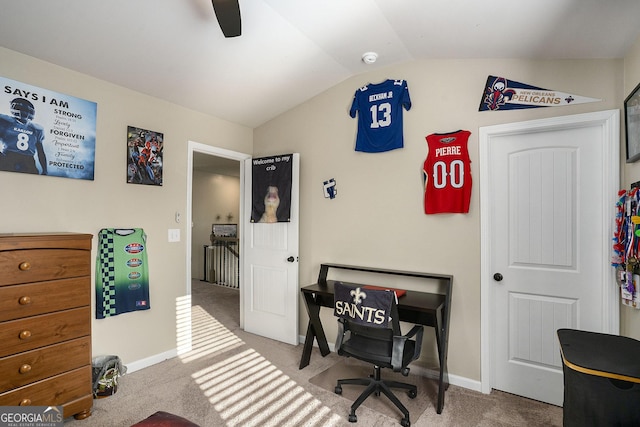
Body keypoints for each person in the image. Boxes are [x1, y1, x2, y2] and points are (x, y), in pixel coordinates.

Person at [0, 97, 47, 174]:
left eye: (26, 110)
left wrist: (45, 170)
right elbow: (41, 152)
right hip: (11, 157)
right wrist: (45, 170)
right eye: (21, 108)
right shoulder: (5, 122)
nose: (24, 112)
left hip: (26, 161)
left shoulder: (36, 128)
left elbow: (40, 151)